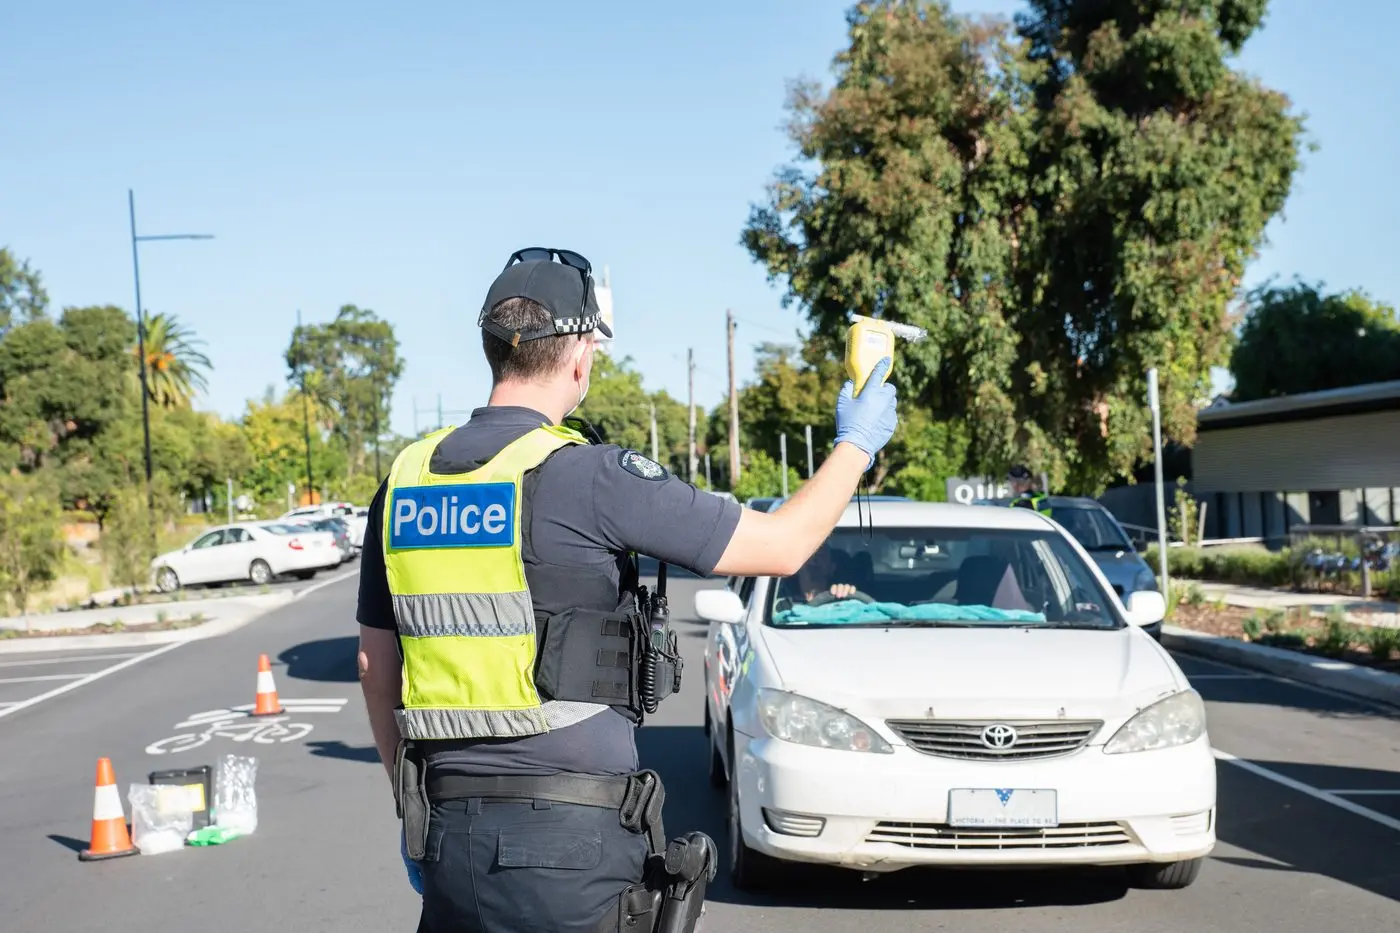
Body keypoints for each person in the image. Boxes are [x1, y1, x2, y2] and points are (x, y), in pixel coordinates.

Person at [355, 245, 900, 933]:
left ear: (495, 350)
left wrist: (415, 809)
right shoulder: (592, 477)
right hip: (572, 845)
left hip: (448, 835)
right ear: (579, 354)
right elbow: (783, 546)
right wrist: (856, 444)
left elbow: (377, 665)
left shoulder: (403, 483)